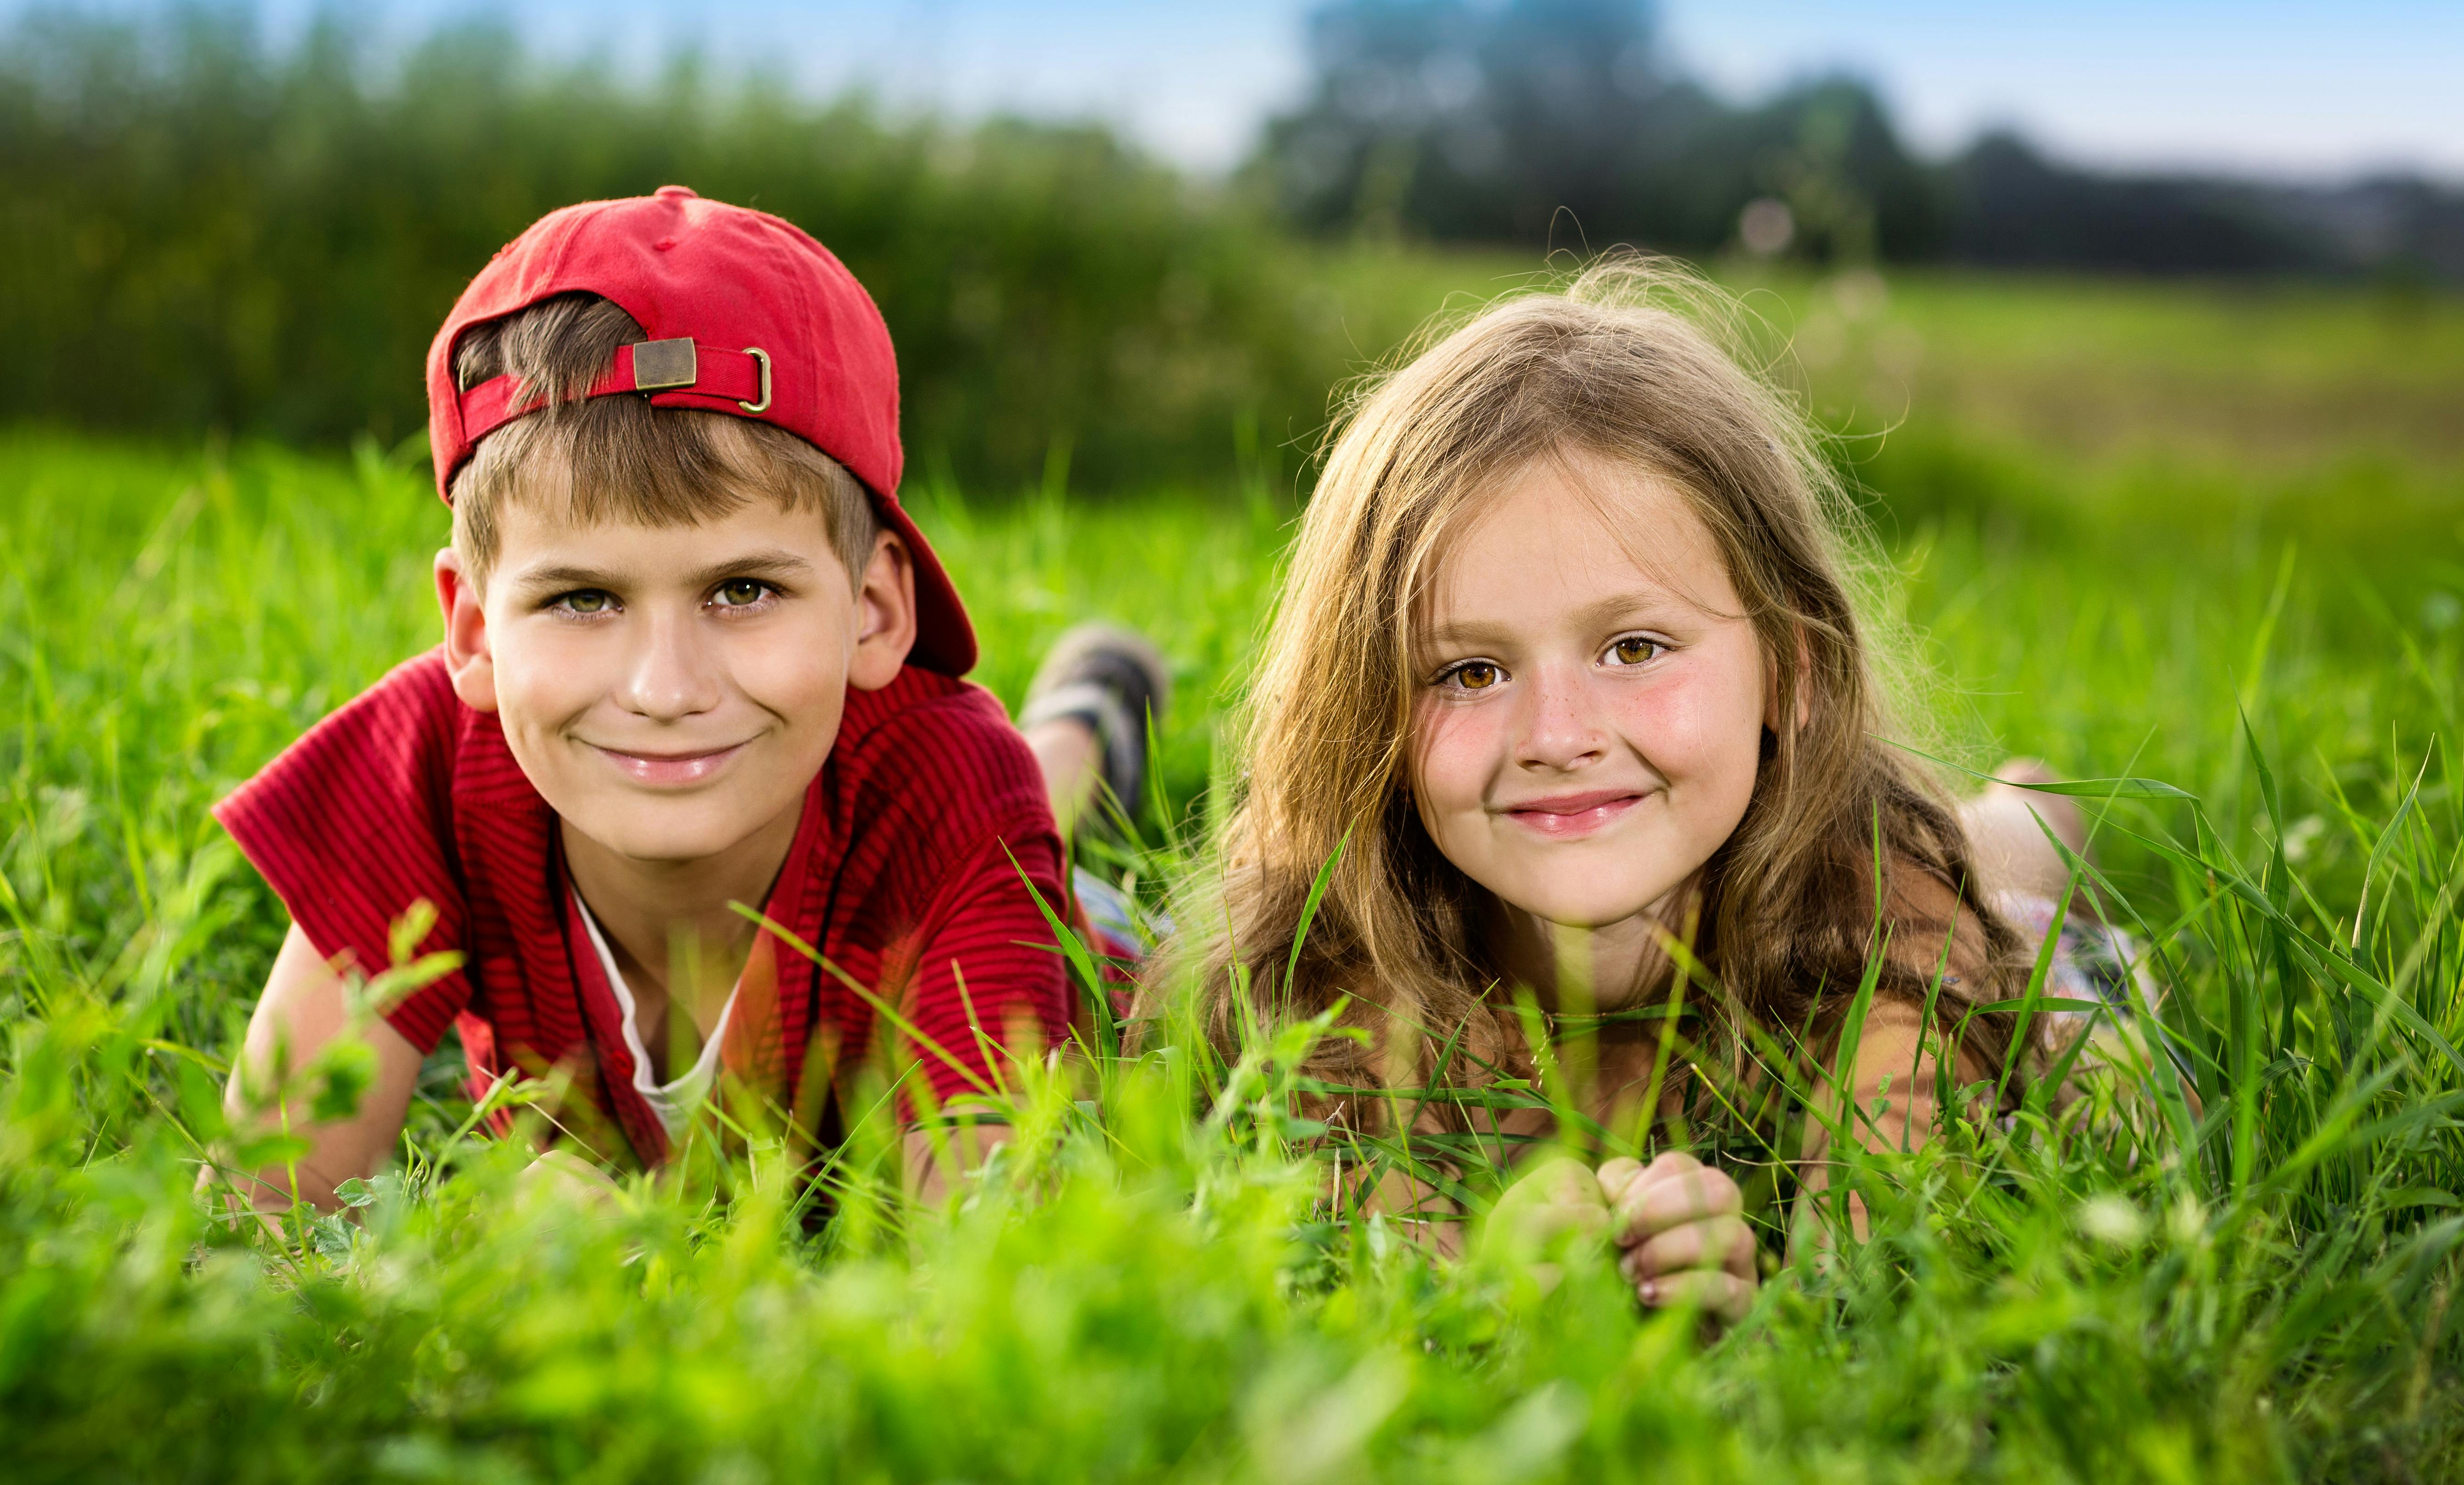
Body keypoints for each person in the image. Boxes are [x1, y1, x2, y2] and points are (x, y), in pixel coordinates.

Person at [1155, 257, 2111, 1321]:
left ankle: (2036, 803)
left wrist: (1744, 1304)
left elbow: (1883, 1268)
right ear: (1372, 705)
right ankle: (1087, 705)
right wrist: (1491, 1281)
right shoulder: (1335, 959)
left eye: (1636, 646)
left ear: (1789, 670)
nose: (1557, 738)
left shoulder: (1892, 937)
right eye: (1471, 672)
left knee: (2012, 856)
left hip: (1934, 886)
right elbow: (1375, 1268)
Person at [213, 187, 1077, 1212]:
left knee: (1050, 805)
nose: (664, 690)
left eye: (743, 590)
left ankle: (1083, 719)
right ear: (475, 631)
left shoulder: (947, 785)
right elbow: (259, 1214)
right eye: (583, 599)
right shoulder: (427, 765)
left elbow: (993, 1256)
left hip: (1029, 892)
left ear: (877, 609)